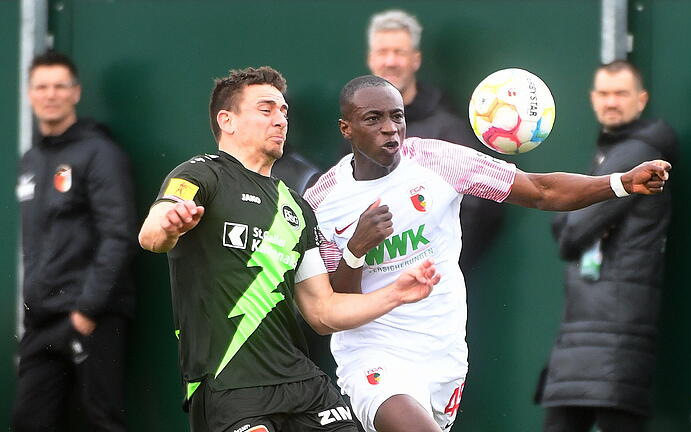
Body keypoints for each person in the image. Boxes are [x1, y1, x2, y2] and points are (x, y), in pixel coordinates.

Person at [303, 74, 671, 432]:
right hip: (373, 354)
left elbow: (541, 190)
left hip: (441, 351)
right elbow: (335, 306)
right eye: (373, 118)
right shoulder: (323, 201)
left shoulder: (437, 160)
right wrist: (356, 249)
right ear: (346, 128)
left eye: (397, 116)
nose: (390, 128)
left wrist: (620, 182)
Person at [137, 66, 441, 432]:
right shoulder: (201, 174)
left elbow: (322, 311)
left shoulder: (296, 206)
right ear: (227, 121)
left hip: (302, 384)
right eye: (266, 110)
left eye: (283, 111)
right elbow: (151, 235)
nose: (280, 120)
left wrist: (396, 294)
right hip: (229, 388)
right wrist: (170, 224)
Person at [536, 60, 679, 432]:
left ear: (641, 99)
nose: (611, 102)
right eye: (603, 93)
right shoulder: (612, 150)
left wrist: (571, 221)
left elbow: (570, 232)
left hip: (617, 329)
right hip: (589, 328)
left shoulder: (634, 153)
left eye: (621, 93)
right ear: (592, 98)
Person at [12, 50, 137, 431]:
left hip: (92, 316)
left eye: (59, 86)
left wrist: (86, 312)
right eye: (41, 87)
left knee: (100, 420)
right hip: (43, 321)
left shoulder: (100, 153)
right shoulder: (31, 161)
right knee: (29, 421)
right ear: (30, 94)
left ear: (75, 93)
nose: (50, 94)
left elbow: (119, 235)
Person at [363, 9, 505, 271]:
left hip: (431, 280)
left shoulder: (447, 127)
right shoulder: (357, 130)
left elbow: (478, 204)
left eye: (400, 52)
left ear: (416, 60)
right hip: (373, 283)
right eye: (383, 52)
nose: (391, 61)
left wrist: (440, 265)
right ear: (371, 59)